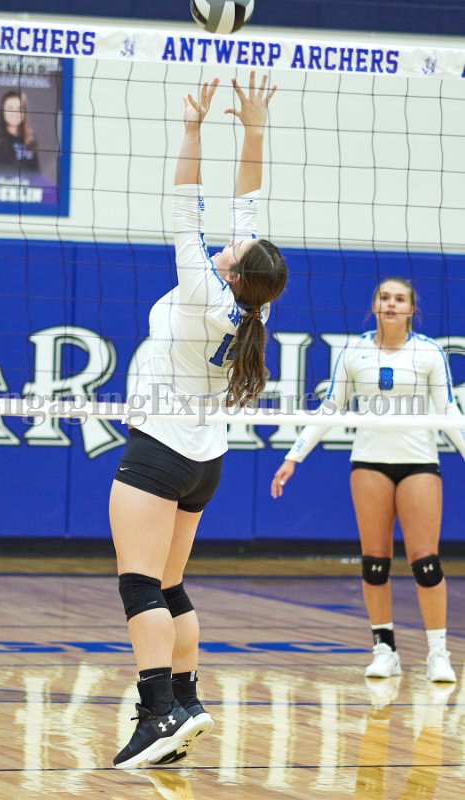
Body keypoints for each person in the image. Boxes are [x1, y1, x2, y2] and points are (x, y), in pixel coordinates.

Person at [110, 72, 287, 769]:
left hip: (158, 452)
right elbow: (248, 207)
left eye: (231, 253)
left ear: (235, 276)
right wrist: (253, 130)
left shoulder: (198, 290)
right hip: (204, 462)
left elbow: (187, 205)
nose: (224, 246)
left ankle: (156, 714)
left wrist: (191, 130)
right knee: (168, 583)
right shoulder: (255, 308)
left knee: (139, 584)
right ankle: (185, 704)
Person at [271, 278, 465, 682]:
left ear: (411, 309)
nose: (391, 304)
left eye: (400, 299)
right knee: (375, 562)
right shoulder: (355, 351)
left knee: (426, 563)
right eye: (384, 297)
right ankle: (384, 649)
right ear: (374, 305)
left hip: (418, 464)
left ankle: (438, 653)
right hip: (369, 464)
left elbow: (449, 412)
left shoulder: (429, 352)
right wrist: (294, 456)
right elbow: (330, 408)